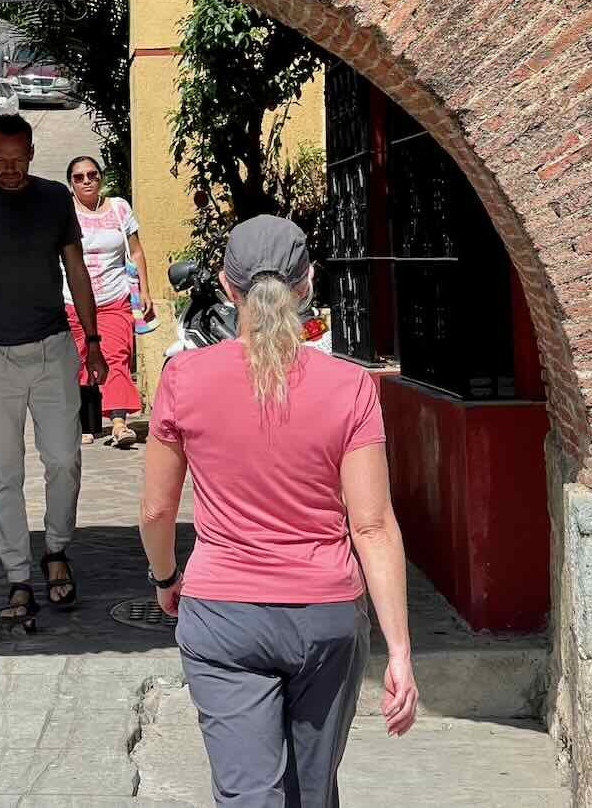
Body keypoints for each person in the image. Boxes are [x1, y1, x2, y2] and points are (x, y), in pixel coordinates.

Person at [139, 215, 418, 808]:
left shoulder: (183, 377)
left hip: (222, 614)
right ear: (308, 283)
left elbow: (156, 511)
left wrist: (166, 578)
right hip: (326, 615)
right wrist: (399, 649)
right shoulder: (350, 385)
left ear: (225, 285)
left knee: (248, 795)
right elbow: (371, 524)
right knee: (312, 792)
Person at [0, 113, 109, 624]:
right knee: (3, 471)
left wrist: (92, 341)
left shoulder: (55, 199)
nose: (8, 170)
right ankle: (17, 577)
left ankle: (55, 550)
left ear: (30, 153)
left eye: (17, 160)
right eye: (0, 161)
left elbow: (76, 269)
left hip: (54, 347)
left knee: (64, 458)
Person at [63, 155, 155, 449]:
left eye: (92, 174)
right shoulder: (64, 213)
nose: (87, 180)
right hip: (73, 301)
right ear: (71, 184)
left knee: (116, 356)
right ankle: (83, 425)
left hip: (114, 298)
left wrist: (145, 290)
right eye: (79, 177)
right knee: (77, 360)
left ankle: (118, 423)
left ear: (100, 177)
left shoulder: (119, 208)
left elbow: (137, 252)